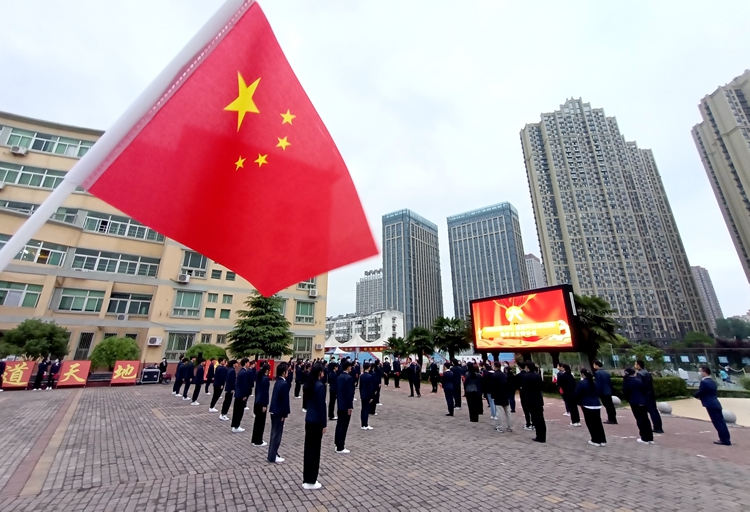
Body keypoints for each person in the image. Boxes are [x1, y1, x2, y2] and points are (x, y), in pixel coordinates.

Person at [302, 362, 327, 490]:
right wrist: (324, 424)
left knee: (308, 450)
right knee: (315, 451)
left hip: (309, 420)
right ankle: (311, 480)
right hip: (317, 421)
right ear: (319, 373)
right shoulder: (319, 386)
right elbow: (322, 407)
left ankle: (307, 478)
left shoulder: (308, 385)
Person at [694, 366, 731, 446]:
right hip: (715, 403)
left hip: (710, 404)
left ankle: (724, 440)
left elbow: (701, 391)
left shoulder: (704, 382)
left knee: (717, 422)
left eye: (701, 371)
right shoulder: (712, 381)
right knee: (721, 422)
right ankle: (726, 438)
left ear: (705, 372)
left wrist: (696, 396)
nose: (700, 373)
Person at [576, 369, 607, 447]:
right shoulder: (594, 383)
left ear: (582, 374)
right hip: (596, 404)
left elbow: (577, 394)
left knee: (590, 422)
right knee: (598, 422)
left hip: (587, 404)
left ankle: (595, 440)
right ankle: (602, 440)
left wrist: (579, 402)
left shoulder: (582, 383)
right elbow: (599, 392)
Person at [622, 367, 654, 444]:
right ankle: (650, 438)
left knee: (639, 419)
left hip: (634, 402)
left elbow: (625, 392)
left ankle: (644, 438)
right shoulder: (638, 380)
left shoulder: (627, 381)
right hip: (643, 401)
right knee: (646, 419)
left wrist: (628, 399)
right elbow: (644, 390)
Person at [268, 362, 291, 463]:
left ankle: (273, 453)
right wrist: (284, 414)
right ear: (283, 372)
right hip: (279, 412)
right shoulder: (284, 383)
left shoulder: (278, 382)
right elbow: (284, 401)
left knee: (274, 433)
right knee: (277, 434)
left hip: (274, 410)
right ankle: (273, 456)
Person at [520, 361, 545, 443]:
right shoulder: (537, 375)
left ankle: (539, 436)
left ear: (527, 367)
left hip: (530, 399)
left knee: (535, 418)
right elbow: (541, 386)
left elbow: (524, 388)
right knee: (541, 418)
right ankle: (543, 435)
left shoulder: (525, 376)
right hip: (538, 398)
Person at [635, 360, 663, 434]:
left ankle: (653, 428)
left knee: (646, 413)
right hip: (650, 394)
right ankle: (658, 427)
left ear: (638, 365)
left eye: (635, 364)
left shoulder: (640, 374)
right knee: (654, 411)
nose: (635, 366)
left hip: (644, 395)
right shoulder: (647, 373)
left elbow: (640, 385)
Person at [335, 361, 355, 453]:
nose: (351, 368)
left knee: (339, 425)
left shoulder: (339, 377)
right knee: (344, 426)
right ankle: (340, 446)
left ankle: (337, 443)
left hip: (340, 404)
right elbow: (349, 394)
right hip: (346, 405)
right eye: (350, 367)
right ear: (348, 367)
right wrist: (350, 406)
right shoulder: (349, 378)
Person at [252, 363, 271, 447]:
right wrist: (265, 404)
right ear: (267, 370)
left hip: (257, 401)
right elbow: (265, 393)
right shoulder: (265, 379)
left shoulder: (259, 377)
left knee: (257, 421)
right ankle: (258, 441)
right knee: (261, 422)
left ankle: (254, 439)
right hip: (262, 402)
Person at [492, 362, 513, 433]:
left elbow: (493, 387)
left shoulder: (494, 375)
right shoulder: (505, 375)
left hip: (498, 395)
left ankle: (499, 426)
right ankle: (510, 427)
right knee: (508, 412)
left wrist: (493, 396)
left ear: (495, 366)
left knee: (499, 412)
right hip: (505, 395)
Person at [232, 358, 251, 433]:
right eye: (248, 362)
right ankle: (236, 426)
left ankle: (235, 425)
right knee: (239, 411)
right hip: (241, 394)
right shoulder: (244, 372)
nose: (248, 364)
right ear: (246, 363)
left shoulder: (241, 371)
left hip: (238, 394)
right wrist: (245, 395)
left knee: (237, 410)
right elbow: (244, 385)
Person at [359, 362, 375, 430]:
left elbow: (360, 387)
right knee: (366, 410)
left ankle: (363, 424)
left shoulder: (361, 376)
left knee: (363, 409)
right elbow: (370, 387)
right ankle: (365, 424)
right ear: (369, 368)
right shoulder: (370, 376)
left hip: (363, 394)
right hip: (368, 395)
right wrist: (371, 396)